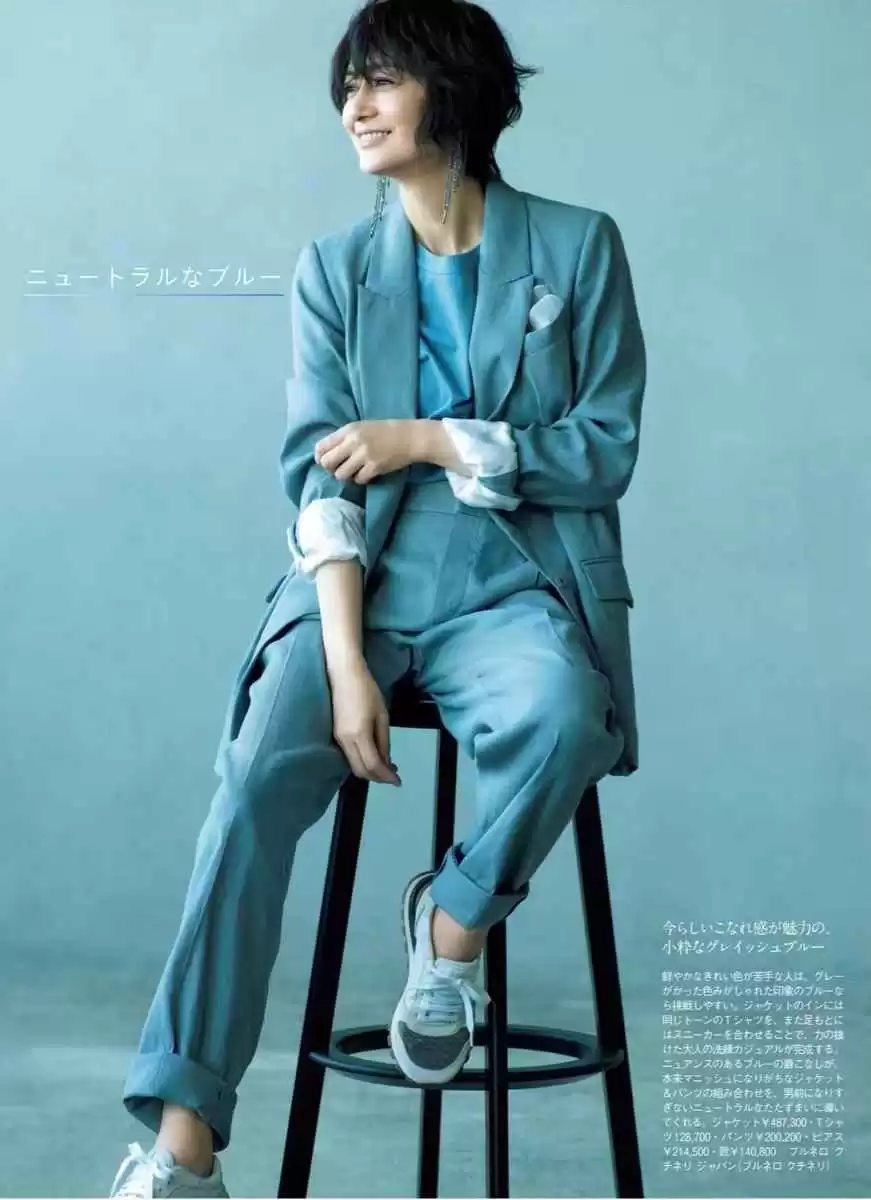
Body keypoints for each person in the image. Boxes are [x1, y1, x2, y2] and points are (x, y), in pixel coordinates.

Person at [109, 0, 646, 1195]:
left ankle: (448, 930)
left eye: (382, 78)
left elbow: (603, 448)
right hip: (359, 586)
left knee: (566, 717)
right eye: (348, 84)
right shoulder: (336, 271)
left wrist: (426, 437)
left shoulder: (577, 247)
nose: (354, 104)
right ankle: (184, 1148)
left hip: (514, 581)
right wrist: (346, 663)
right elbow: (320, 482)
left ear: (454, 91)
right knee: (255, 775)